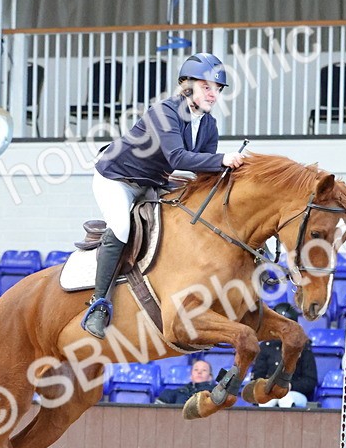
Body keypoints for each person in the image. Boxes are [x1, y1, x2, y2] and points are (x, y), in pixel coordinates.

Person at [83, 53, 248, 339]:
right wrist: (223, 159)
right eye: (207, 87)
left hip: (152, 183)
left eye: (217, 89)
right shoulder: (166, 112)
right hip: (116, 179)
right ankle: (98, 304)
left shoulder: (208, 125)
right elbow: (177, 158)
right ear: (188, 86)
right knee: (122, 226)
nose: (213, 94)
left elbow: (204, 174)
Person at [251, 303, 318, 408]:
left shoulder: (303, 348)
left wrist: (290, 386)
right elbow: (257, 375)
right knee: (266, 402)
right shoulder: (266, 347)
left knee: (286, 400)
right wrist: (266, 386)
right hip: (269, 391)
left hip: (294, 392)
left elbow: (310, 380)